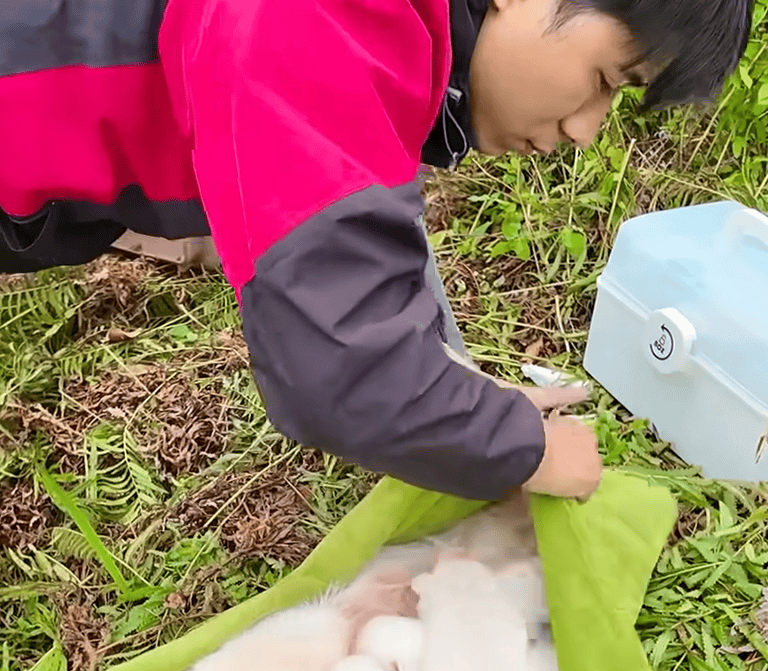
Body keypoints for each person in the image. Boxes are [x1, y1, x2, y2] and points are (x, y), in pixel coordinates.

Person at [0, 0, 752, 502]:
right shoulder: (326, 15)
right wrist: (523, 450)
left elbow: (369, 265)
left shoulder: (393, 36)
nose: (587, 128)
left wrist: (467, 410)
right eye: (603, 81)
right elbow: (341, 359)